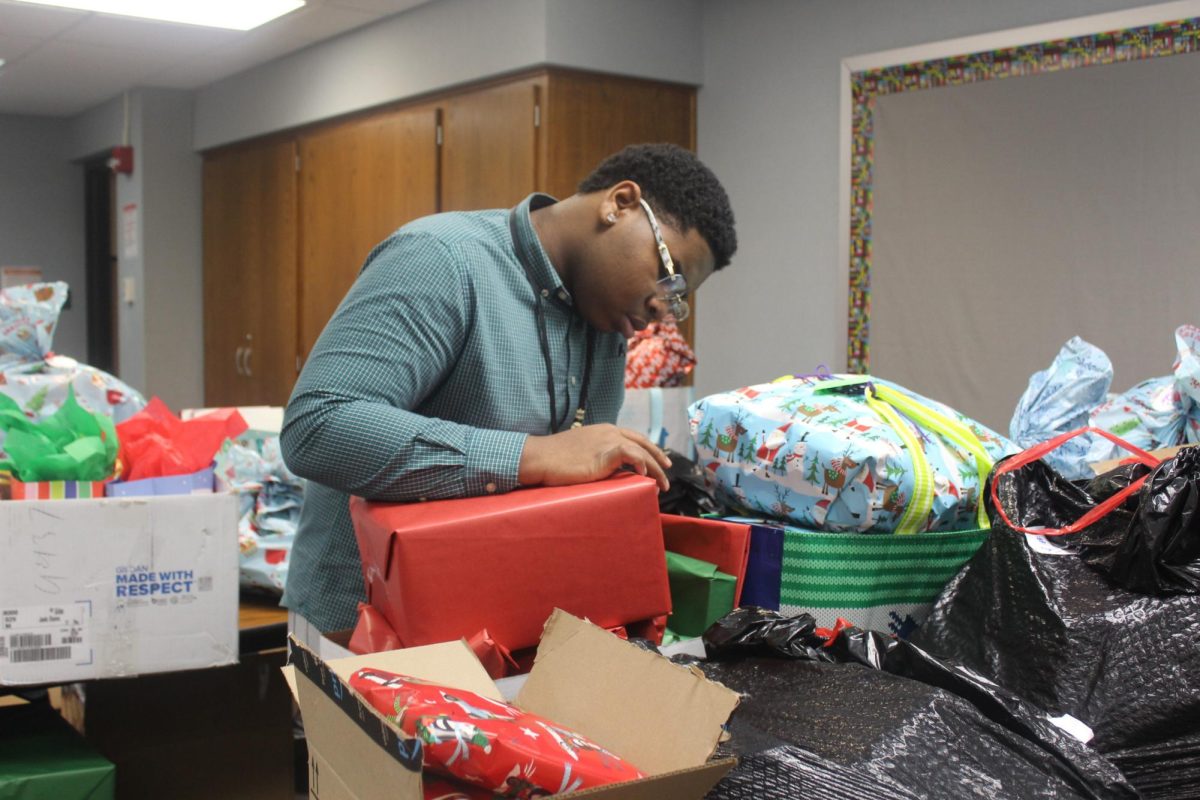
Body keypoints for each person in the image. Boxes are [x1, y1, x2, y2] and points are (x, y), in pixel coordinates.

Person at [280, 143, 738, 638]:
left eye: (678, 301)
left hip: (492, 628)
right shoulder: (443, 259)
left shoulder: (604, 323)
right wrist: (534, 455)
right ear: (620, 203)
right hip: (365, 631)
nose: (661, 311)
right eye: (669, 277)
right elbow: (318, 427)